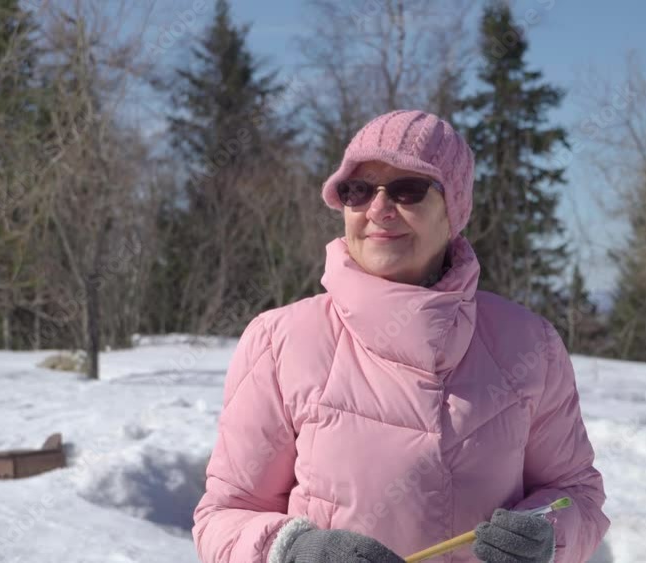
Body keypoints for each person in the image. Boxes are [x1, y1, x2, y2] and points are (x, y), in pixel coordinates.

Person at [191, 109, 610, 563]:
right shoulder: (279, 342)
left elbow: (575, 493)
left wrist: (548, 535)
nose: (378, 209)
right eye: (358, 190)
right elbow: (224, 515)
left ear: (454, 213)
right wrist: (294, 552)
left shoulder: (530, 344)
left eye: (408, 190)